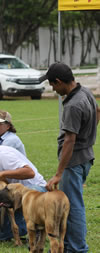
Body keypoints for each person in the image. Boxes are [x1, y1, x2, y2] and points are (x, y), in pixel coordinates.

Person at [40, 62, 100, 253]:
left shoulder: (73, 105)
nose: (52, 89)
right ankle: (68, 245)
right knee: (74, 203)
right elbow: (98, 111)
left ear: (59, 81)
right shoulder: (86, 92)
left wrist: (58, 173)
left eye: (52, 85)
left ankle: (77, 248)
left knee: (73, 207)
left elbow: (69, 141)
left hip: (73, 162)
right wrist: (89, 131)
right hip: (86, 157)